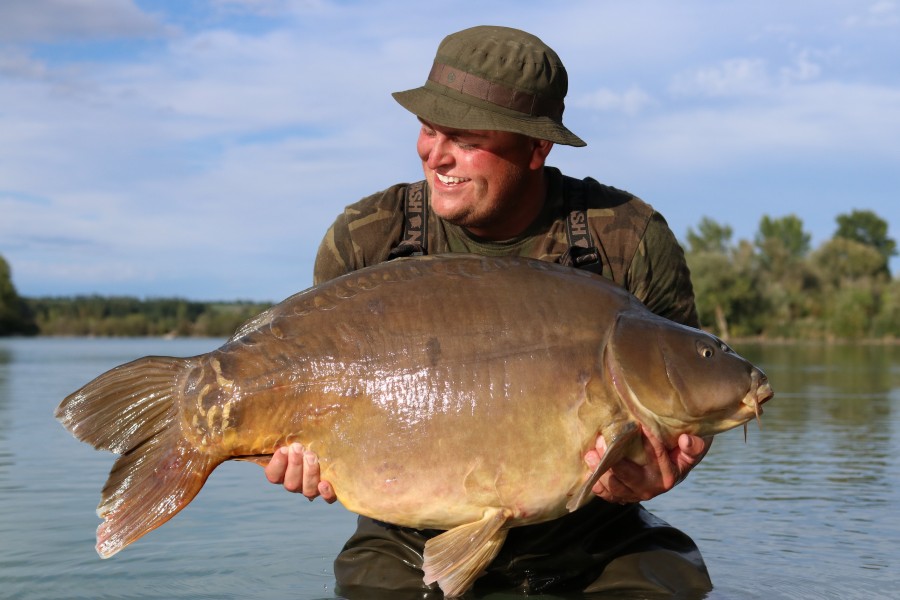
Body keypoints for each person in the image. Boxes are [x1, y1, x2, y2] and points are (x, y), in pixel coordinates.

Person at [265, 25, 713, 598]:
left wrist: (660, 469)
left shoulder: (627, 239)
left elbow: (690, 390)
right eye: (429, 129)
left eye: (467, 138)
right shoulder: (367, 240)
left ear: (537, 147)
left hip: (597, 543)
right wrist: (299, 455)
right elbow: (313, 396)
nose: (437, 155)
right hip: (408, 542)